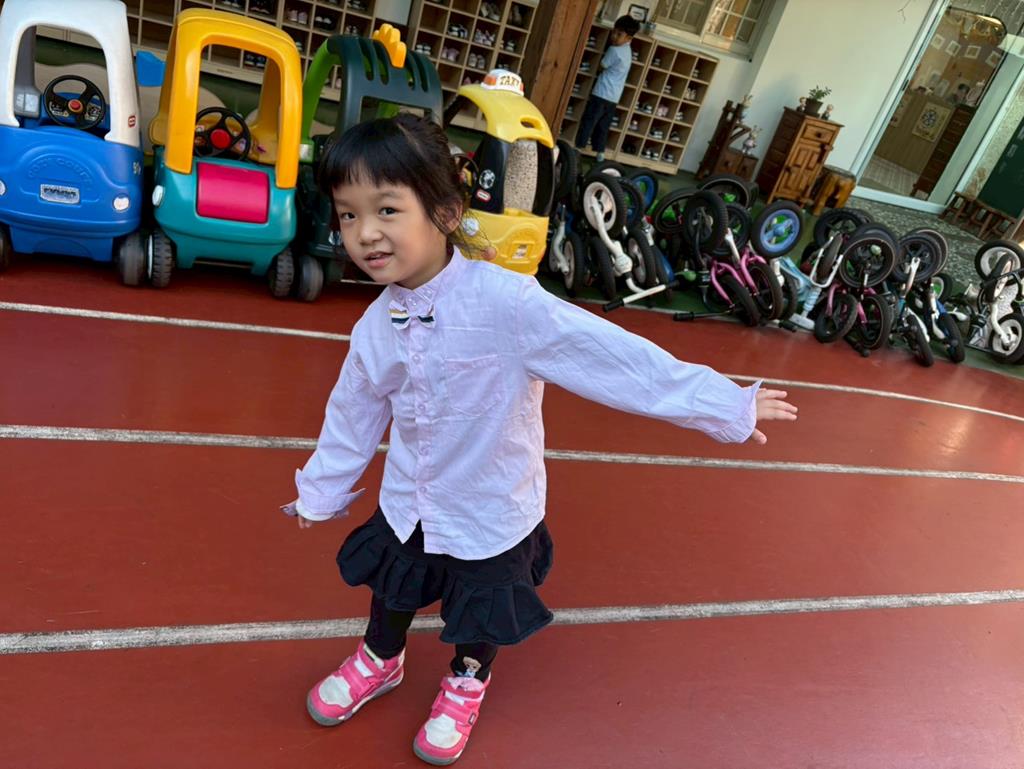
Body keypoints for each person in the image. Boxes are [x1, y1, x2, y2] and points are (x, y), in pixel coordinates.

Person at [283, 113, 798, 766]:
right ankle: (382, 657)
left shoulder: (506, 303)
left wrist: (722, 402)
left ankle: (467, 678)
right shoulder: (375, 325)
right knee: (394, 583)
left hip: (492, 504)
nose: (365, 233)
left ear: (446, 211)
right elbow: (352, 413)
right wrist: (321, 489)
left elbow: (609, 355)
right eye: (348, 215)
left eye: (387, 209)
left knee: (483, 603)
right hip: (413, 495)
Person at [573, 14, 640, 162]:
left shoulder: (613, 50)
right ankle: (600, 154)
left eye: (619, 34)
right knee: (603, 126)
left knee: (589, 121)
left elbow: (602, 66)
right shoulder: (628, 51)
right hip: (614, 97)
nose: (614, 36)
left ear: (629, 38)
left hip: (601, 93)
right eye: (614, 32)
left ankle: (578, 149)